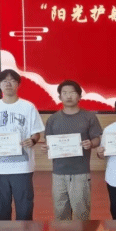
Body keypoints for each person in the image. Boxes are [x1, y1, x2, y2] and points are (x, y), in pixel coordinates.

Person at [0, 69, 44, 221]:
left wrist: (32, 140)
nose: (8, 83)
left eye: (12, 80)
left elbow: (36, 133)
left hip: (22, 167)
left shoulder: (28, 107)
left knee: (25, 207)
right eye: (4, 81)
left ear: (18, 84)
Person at [41, 80, 102, 221]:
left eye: (72, 93)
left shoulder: (89, 117)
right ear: (59, 97)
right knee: (60, 213)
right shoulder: (53, 119)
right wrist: (46, 147)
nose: (68, 96)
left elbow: (97, 139)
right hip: (58, 173)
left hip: (80, 172)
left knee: (81, 213)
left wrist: (91, 143)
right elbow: (49, 142)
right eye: (65, 93)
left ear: (79, 96)